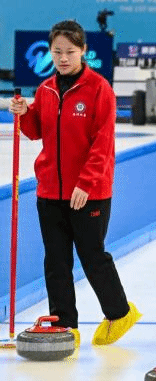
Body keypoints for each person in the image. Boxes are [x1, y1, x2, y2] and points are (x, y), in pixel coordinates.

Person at [8, 20, 141, 347]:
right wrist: (24, 112)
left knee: (92, 256)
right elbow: (35, 131)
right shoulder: (46, 89)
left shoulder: (99, 89)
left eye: (70, 51)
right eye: (57, 52)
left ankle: (120, 313)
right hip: (50, 190)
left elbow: (103, 143)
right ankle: (64, 323)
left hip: (89, 192)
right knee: (55, 260)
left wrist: (86, 183)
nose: (63, 58)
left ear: (83, 50)